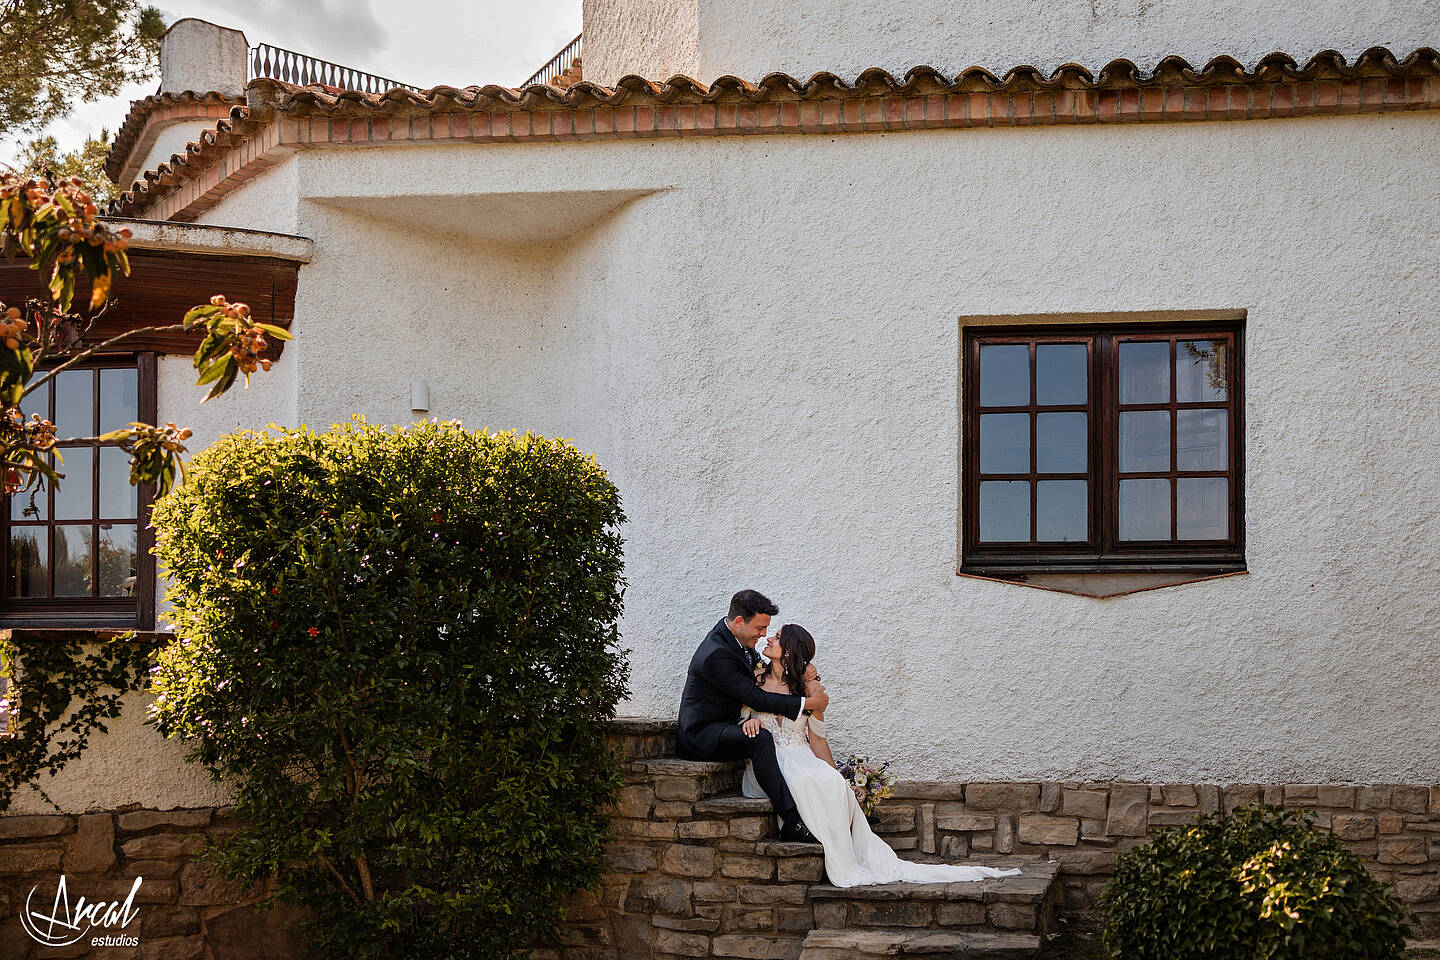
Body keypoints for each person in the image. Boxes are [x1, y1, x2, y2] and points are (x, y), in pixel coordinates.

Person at [739, 623, 1022, 887]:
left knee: (827, 781)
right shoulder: (754, 679)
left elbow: (817, 740)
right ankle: (804, 830)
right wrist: (745, 723)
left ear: (788, 651)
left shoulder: (810, 690)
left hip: (801, 753)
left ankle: (831, 843)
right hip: (769, 757)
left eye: (775, 637)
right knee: (802, 780)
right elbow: (736, 717)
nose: (767, 639)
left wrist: (841, 780)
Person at [677, 590, 828, 843]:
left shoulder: (735, 642)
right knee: (760, 738)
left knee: (759, 735)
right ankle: (791, 820)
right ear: (739, 622)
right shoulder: (717, 653)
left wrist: (804, 670)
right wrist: (809, 703)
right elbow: (757, 698)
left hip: (725, 725)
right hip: (701, 735)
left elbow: (765, 674)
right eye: (759, 628)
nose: (763, 635)